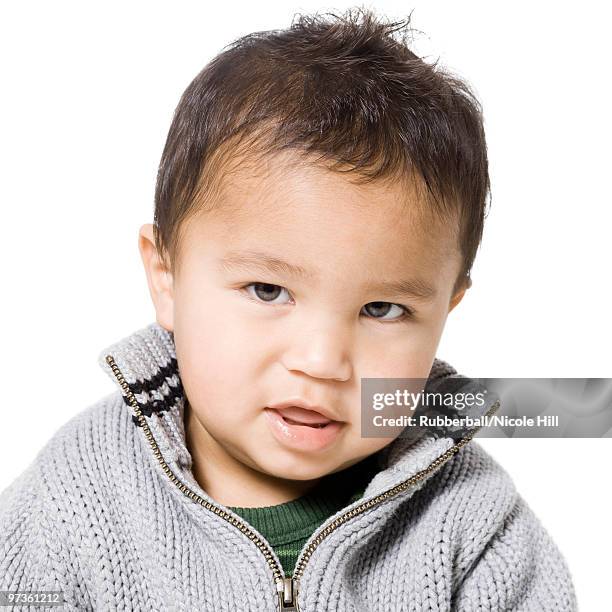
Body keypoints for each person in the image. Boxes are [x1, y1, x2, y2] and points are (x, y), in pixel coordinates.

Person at [0, 7, 577, 611]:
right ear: (166, 276)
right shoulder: (77, 497)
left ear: (448, 307)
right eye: (268, 292)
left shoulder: (474, 520)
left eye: (382, 308)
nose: (322, 361)